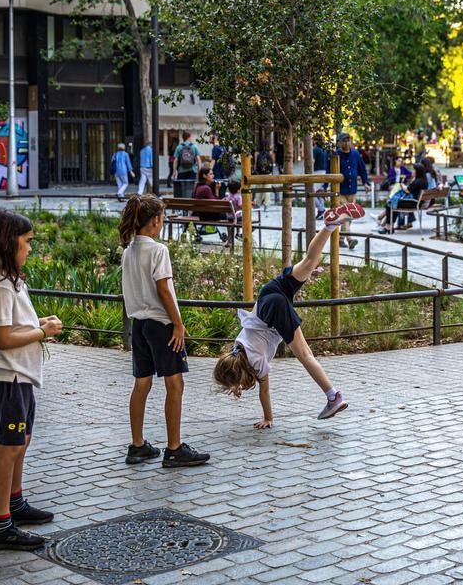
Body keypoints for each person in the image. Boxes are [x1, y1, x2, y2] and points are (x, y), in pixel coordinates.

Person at [212, 204, 365, 426]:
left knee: (304, 354)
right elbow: (240, 370)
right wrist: (236, 383)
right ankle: (329, 226)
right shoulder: (238, 348)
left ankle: (334, 396)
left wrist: (268, 419)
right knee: (308, 263)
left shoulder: (256, 365)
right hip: (268, 294)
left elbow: (264, 393)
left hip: (272, 311)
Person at [0, 210, 63, 551]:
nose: (30, 249)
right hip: (6, 375)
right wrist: (42, 330)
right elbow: (3, 339)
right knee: (7, 448)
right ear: (9, 243)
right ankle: (0, 525)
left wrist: (39, 321)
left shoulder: (10, 281)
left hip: (19, 376)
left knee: (20, 443)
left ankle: (15, 502)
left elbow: (10, 325)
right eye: (27, 242)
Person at [119, 195, 211, 469]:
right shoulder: (158, 251)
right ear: (156, 221)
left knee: (142, 383)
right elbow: (164, 290)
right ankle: (174, 448)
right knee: (174, 384)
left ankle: (137, 445)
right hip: (161, 324)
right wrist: (178, 324)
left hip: (140, 325)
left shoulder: (128, 251)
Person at [334, 133, 370, 249]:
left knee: (350, 215)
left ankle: (340, 239)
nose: (346, 143)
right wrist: (325, 187)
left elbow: (362, 169)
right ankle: (349, 239)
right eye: (344, 141)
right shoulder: (336, 155)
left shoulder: (355, 154)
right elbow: (330, 171)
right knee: (346, 214)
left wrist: (365, 182)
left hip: (352, 190)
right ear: (339, 142)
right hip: (340, 190)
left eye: (348, 140)